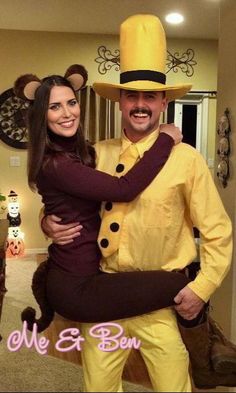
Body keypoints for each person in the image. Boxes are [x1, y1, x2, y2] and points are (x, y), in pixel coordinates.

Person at [42, 14, 236, 392]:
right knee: (97, 387)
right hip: (103, 294)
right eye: (132, 95)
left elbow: (218, 230)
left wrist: (201, 288)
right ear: (120, 102)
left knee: (173, 386)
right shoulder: (94, 154)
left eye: (150, 96)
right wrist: (47, 220)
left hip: (161, 302)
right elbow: (64, 195)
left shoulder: (188, 160)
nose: (141, 104)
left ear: (163, 102)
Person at [14, 64, 196, 332]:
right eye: (54, 107)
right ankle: (209, 352)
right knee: (181, 285)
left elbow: (63, 204)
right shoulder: (57, 164)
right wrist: (164, 140)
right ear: (41, 114)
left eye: (71, 103)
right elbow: (124, 189)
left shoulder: (85, 152)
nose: (67, 113)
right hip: (77, 287)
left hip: (89, 270)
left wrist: (45, 221)